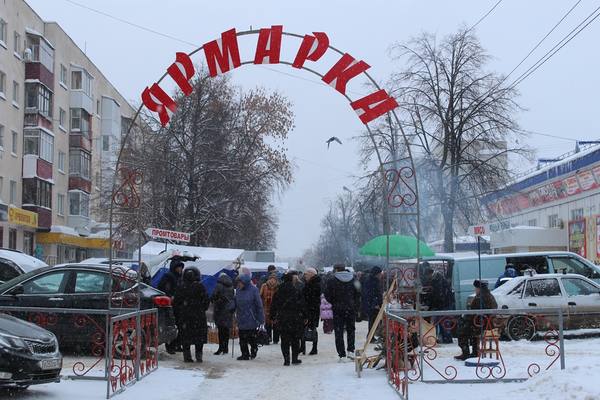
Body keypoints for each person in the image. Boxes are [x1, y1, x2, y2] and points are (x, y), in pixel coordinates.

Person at [173, 267, 209, 363]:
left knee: (186, 337)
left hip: (185, 317)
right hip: (199, 316)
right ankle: (199, 355)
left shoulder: (181, 287)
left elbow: (176, 302)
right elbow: (206, 301)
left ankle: (187, 356)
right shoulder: (200, 287)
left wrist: (181, 311)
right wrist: (201, 308)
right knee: (199, 338)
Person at [454, 280, 498, 361]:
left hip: (481, 324)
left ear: (479, 288)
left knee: (462, 331)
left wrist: (465, 318)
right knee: (469, 328)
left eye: (476, 288)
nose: (475, 290)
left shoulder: (480, 297)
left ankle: (466, 353)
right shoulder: (489, 295)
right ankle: (474, 352)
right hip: (486, 323)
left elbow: (473, 311)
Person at [324, 264, 361, 360]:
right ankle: (351, 350)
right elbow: (359, 292)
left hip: (337, 309)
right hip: (351, 308)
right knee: (351, 330)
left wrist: (334, 302)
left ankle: (342, 354)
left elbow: (327, 294)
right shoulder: (354, 279)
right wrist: (355, 304)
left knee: (339, 331)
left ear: (336, 269)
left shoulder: (331, 280)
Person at [271, 271, 306, 366]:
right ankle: (295, 358)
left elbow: (274, 305)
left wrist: (273, 316)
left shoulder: (278, 291)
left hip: (283, 318)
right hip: (295, 318)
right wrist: (305, 316)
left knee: (284, 340)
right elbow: (302, 305)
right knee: (295, 339)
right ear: (291, 280)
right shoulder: (296, 291)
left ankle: (286, 359)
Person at [232, 274, 264, 360]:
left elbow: (259, 305)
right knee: (242, 338)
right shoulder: (238, 290)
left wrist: (261, 318)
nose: (239, 284)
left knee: (251, 337)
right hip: (241, 317)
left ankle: (254, 349)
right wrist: (232, 307)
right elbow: (235, 301)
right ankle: (245, 354)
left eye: (240, 282)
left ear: (245, 282)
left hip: (251, 318)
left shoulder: (254, 290)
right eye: (238, 283)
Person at [157, 259, 184, 354]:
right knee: (172, 325)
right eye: (179, 267)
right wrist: (169, 296)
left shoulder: (179, 277)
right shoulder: (169, 276)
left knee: (179, 325)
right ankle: (170, 345)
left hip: (178, 304)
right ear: (174, 268)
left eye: (181, 267)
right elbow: (162, 288)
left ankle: (176, 344)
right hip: (170, 305)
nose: (180, 269)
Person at [211, 273, 235, 355]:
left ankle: (221, 348)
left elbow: (214, 295)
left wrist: (213, 300)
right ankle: (226, 348)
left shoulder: (219, 285)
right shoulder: (231, 286)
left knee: (221, 330)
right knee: (226, 330)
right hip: (228, 310)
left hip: (220, 309)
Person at [301, 267, 321, 355]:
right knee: (304, 328)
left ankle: (314, 348)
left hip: (312, 310)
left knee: (312, 328)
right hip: (310, 309)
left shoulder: (314, 284)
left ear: (311, 274)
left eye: (307, 274)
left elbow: (311, 298)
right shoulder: (309, 283)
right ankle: (303, 347)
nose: (305, 276)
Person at [430, 270, 453, 344]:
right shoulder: (443, 282)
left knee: (441, 322)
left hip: (441, 306)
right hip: (445, 305)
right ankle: (447, 338)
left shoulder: (437, 282)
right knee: (445, 322)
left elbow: (438, 296)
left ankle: (444, 338)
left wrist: (432, 304)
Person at [361, 266, 383, 340]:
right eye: (380, 274)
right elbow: (370, 294)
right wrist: (375, 304)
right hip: (372, 305)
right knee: (373, 321)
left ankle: (371, 336)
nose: (381, 275)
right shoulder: (371, 281)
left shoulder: (373, 280)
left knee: (373, 321)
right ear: (376, 274)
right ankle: (370, 336)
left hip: (372, 304)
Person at [260, 273, 280, 345]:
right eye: (271, 279)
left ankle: (276, 339)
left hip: (275, 307)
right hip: (266, 307)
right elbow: (260, 295)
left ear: (276, 280)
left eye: (274, 279)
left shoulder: (279, 286)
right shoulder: (264, 286)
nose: (272, 281)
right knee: (267, 324)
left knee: (276, 323)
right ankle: (268, 338)